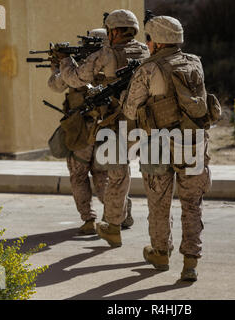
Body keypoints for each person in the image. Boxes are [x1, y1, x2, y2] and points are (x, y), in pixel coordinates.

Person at [121, 15, 212, 281]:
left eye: (148, 39)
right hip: (193, 141)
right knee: (192, 203)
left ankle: (160, 253)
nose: (146, 44)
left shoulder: (148, 69)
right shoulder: (195, 62)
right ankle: (190, 262)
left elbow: (129, 108)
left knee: (159, 202)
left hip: (157, 144)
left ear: (157, 41)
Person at [59, 9, 150, 247]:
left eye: (110, 30)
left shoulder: (106, 54)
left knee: (116, 175)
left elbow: (75, 79)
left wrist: (63, 59)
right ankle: (129, 224)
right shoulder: (145, 50)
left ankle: (113, 224)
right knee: (127, 173)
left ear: (116, 31)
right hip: (142, 124)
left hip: (116, 124)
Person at [47, 28, 109, 235]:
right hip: (108, 127)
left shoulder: (82, 67)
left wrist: (58, 65)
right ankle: (116, 217)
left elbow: (56, 84)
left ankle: (89, 219)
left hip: (81, 129)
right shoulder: (117, 62)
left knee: (79, 174)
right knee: (105, 174)